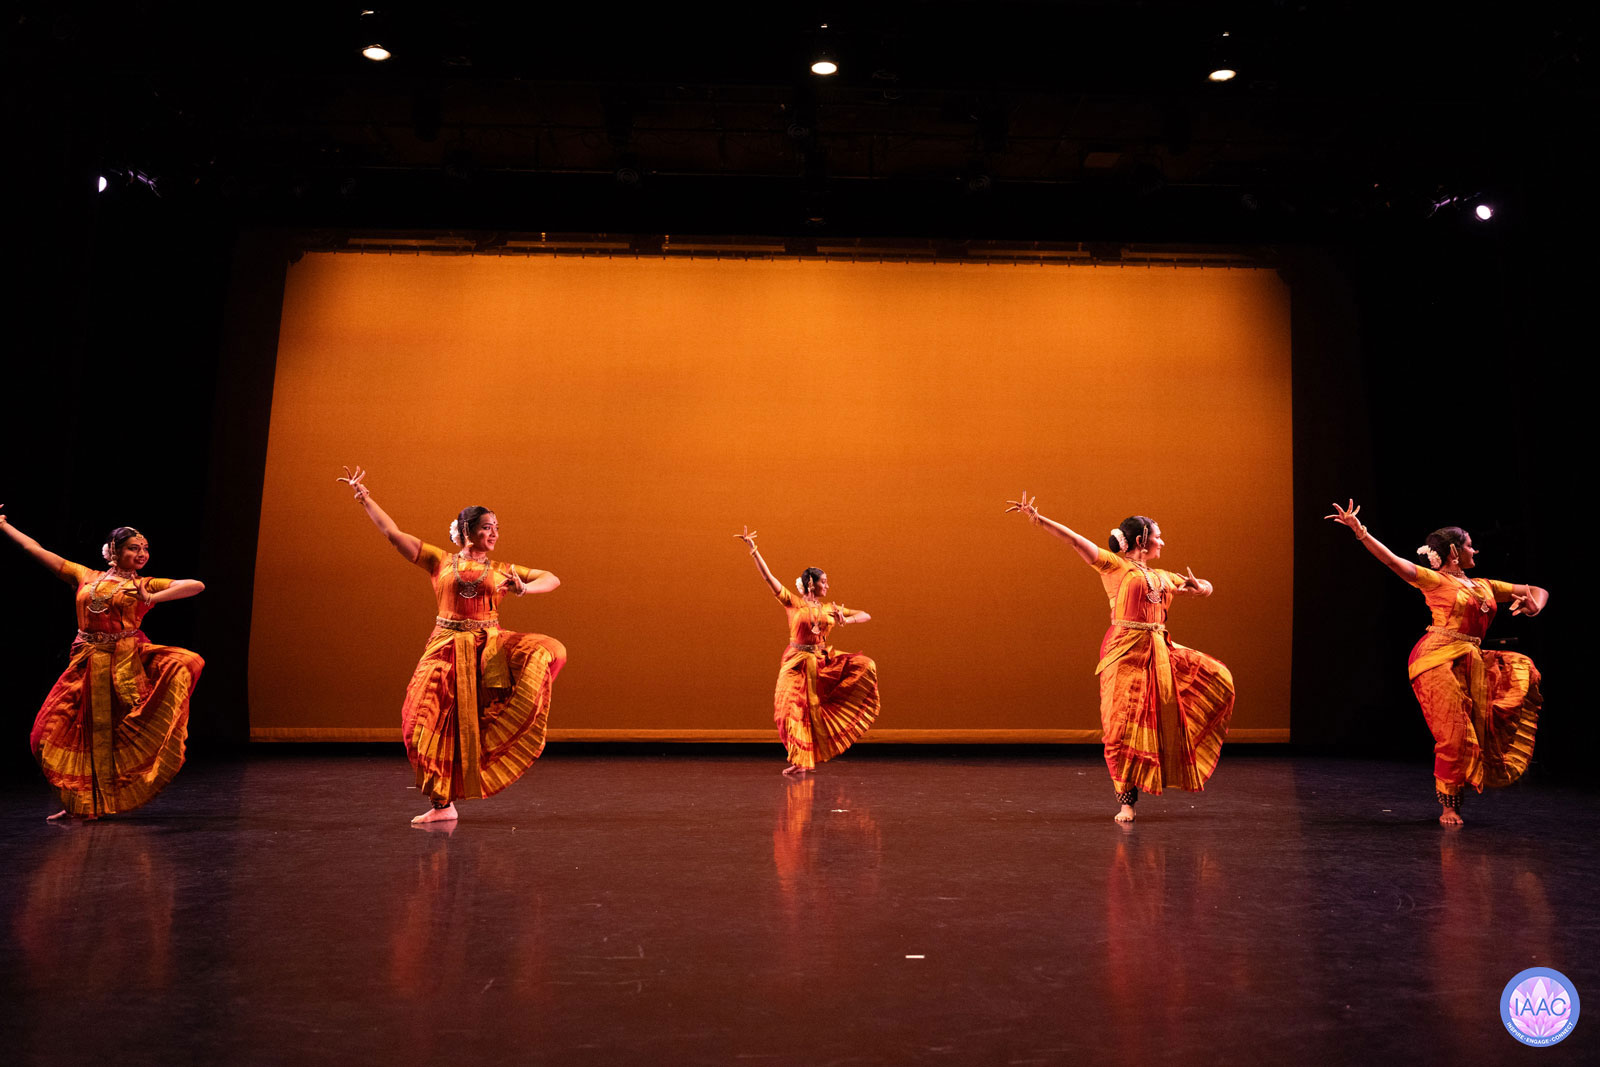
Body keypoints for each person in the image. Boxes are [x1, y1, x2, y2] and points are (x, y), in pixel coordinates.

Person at [337, 467, 566, 824]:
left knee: (549, 650)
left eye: (496, 527)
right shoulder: (440, 561)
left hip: (488, 649)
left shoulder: (503, 569)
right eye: (486, 527)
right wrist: (365, 498)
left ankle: (496, 744)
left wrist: (525, 588)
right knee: (419, 720)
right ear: (466, 531)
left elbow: (552, 578)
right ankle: (442, 805)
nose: (494, 533)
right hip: (444, 647)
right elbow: (393, 534)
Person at [1005, 493, 1235, 822]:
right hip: (1125, 652)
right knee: (1119, 727)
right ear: (1141, 541)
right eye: (1158, 537)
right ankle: (1126, 801)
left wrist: (1202, 587)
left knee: (1183, 700)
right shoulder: (1114, 566)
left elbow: (1202, 587)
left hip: (1158, 652)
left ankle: (1161, 771)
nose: (1162, 542)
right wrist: (1038, 519)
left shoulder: (1163, 576)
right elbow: (1075, 540)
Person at [1326, 500, 1546, 825]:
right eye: (1470, 545)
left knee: (1519, 672)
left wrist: (1534, 605)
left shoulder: (1485, 586)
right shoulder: (1434, 580)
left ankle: (1465, 786)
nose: (1475, 550)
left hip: (1470, 659)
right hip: (1435, 659)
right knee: (1454, 733)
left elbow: (1536, 590)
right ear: (1454, 552)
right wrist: (1361, 532)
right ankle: (1449, 806)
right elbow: (1393, 562)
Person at [2, 507, 205, 820]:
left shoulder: (145, 584)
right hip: (84, 664)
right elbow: (35, 549)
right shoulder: (84, 576)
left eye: (145, 548)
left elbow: (195, 585)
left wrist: (151, 598)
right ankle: (80, 801)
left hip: (123, 667)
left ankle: (95, 804)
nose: (142, 554)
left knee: (108, 737)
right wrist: (3, 525)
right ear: (113, 551)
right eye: (134, 548)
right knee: (46, 734)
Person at [735, 526, 879, 776]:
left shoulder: (830, 609)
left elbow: (865, 614)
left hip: (820, 664)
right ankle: (800, 758)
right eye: (823, 581)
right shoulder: (794, 603)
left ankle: (803, 760)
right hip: (795, 663)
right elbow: (769, 579)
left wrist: (846, 619)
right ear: (811, 583)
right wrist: (753, 550)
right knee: (787, 711)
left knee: (822, 703)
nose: (827, 585)